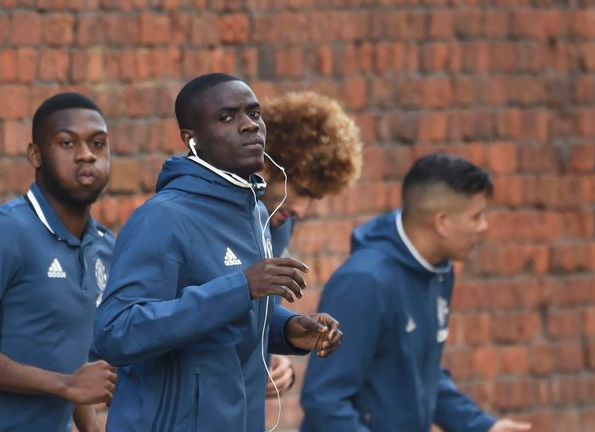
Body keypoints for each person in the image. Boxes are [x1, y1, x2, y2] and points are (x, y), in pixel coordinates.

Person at [92, 73, 343, 431]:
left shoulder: (256, 213)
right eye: (227, 117)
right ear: (191, 139)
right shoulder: (162, 218)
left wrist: (288, 329)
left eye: (254, 114)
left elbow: (228, 320)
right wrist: (240, 287)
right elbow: (115, 334)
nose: (249, 126)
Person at [300, 153, 532, 432]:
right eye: (477, 216)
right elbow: (324, 400)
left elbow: (421, 375)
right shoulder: (364, 282)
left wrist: (481, 426)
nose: (484, 227)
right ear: (442, 222)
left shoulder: (437, 271)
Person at [0, 93, 117, 432]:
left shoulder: (103, 246)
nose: (86, 154)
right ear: (36, 155)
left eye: (98, 143)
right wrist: (64, 385)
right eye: (67, 142)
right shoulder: (5, 231)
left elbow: (71, 367)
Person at [259, 91, 364, 399]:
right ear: (267, 165)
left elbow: (259, 316)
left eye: (313, 198)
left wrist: (278, 359)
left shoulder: (279, 223)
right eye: (301, 190)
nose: (301, 211)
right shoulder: (203, 216)